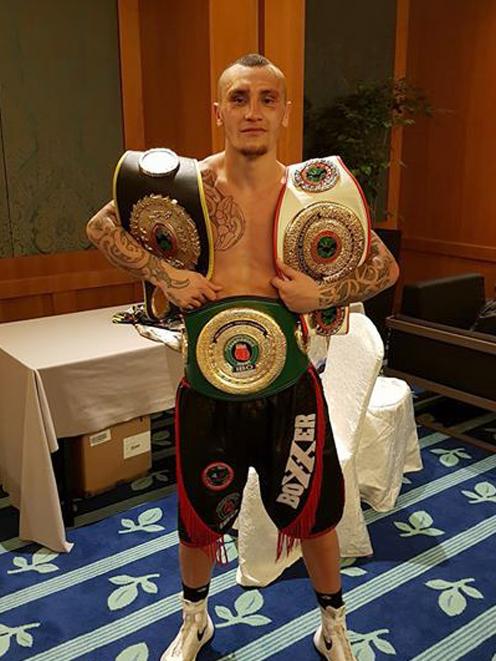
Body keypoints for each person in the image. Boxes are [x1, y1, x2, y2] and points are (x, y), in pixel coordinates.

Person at [87, 53, 399, 661]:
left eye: (266, 98)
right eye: (238, 98)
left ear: (284, 112)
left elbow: (383, 268)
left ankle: (333, 624)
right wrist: (166, 275)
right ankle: (194, 621)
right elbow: (102, 228)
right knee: (198, 517)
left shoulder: (314, 193)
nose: (252, 110)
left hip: (290, 388)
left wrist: (321, 293)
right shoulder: (185, 185)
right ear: (219, 112)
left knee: (315, 513)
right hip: (207, 388)